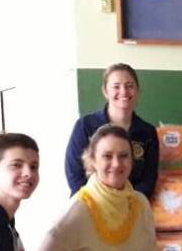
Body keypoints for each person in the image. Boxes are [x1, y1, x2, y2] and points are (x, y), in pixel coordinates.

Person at [65, 63, 159, 199]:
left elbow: (148, 180)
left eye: (129, 86)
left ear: (137, 91)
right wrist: (100, 203)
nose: (123, 91)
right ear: (105, 91)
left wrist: (125, 203)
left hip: (130, 205)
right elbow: (74, 175)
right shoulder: (85, 126)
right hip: (90, 203)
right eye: (116, 86)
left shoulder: (148, 132)